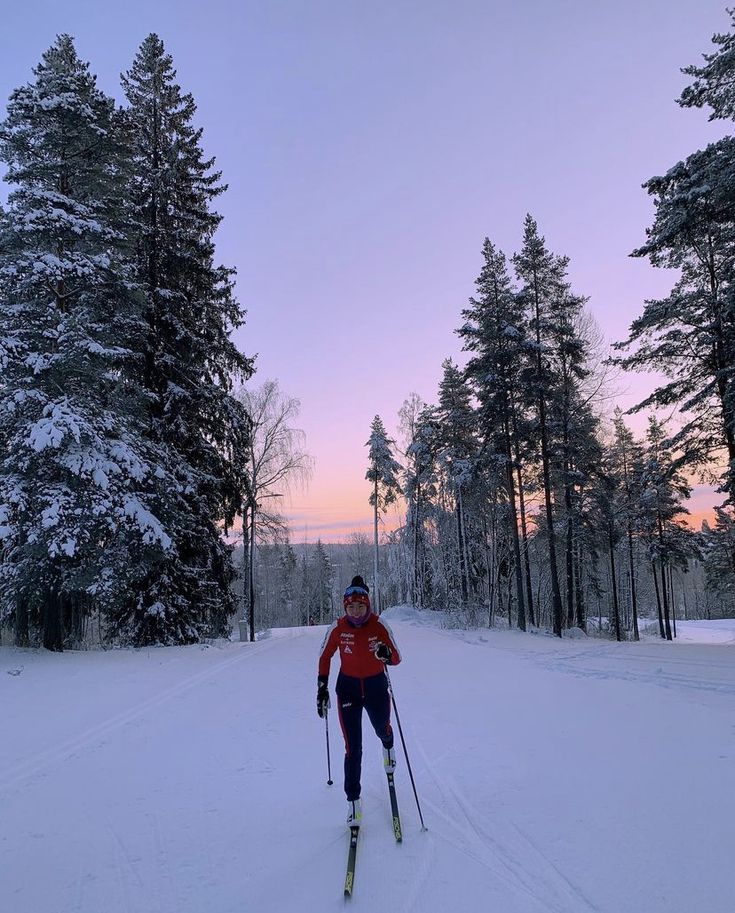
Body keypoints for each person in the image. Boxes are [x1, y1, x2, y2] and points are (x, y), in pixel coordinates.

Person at [317, 575, 401, 826]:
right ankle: (353, 801)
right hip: (348, 691)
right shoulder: (338, 627)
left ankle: (388, 745)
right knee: (353, 748)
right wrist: (322, 687)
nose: (355, 611)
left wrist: (386, 654)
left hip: (375, 688)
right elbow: (324, 657)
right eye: (351, 607)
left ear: (368, 606)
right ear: (345, 607)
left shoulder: (379, 625)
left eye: (360, 606)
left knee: (381, 729)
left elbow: (396, 657)